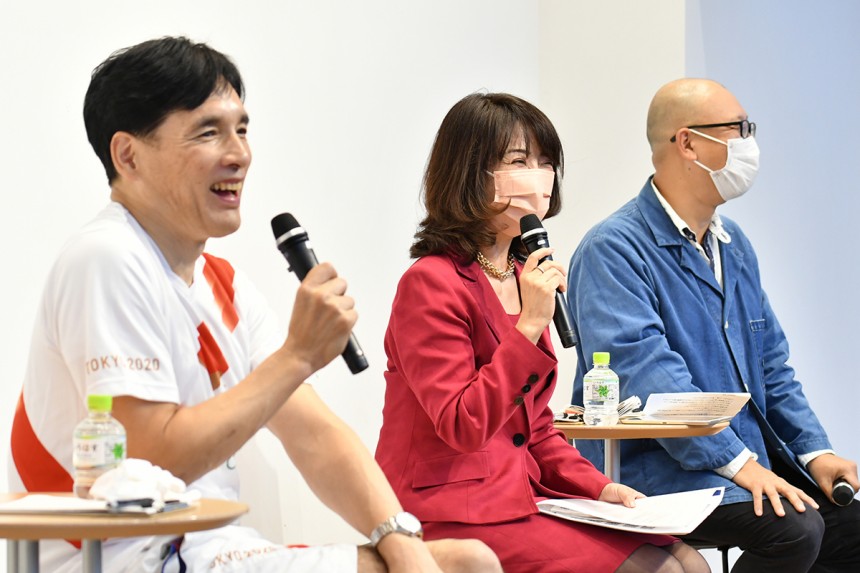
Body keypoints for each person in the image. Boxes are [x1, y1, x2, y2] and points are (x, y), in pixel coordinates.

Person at [8, 36, 502, 573]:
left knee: (464, 561)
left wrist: (401, 541)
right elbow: (151, 460)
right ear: (128, 155)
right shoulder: (106, 257)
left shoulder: (223, 283)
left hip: (207, 548)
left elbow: (315, 436)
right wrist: (297, 356)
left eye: (241, 129)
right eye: (208, 132)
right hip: (122, 557)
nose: (239, 154)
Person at [374, 92, 709, 573]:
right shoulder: (430, 283)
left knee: (689, 561)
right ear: (470, 171)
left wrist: (599, 487)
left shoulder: (520, 274)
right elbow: (463, 424)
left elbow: (534, 430)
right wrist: (530, 324)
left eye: (546, 162)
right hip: (447, 510)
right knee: (659, 571)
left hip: (520, 496)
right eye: (519, 161)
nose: (539, 175)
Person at [567, 78, 860, 572]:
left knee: (850, 529)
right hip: (656, 471)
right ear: (687, 143)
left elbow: (772, 369)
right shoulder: (613, 249)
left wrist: (815, 453)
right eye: (738, 129)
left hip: (738, 463)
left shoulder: (733, 244)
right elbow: (648, 377)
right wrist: (740, 463)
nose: (749, 143)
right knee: (795, 531)